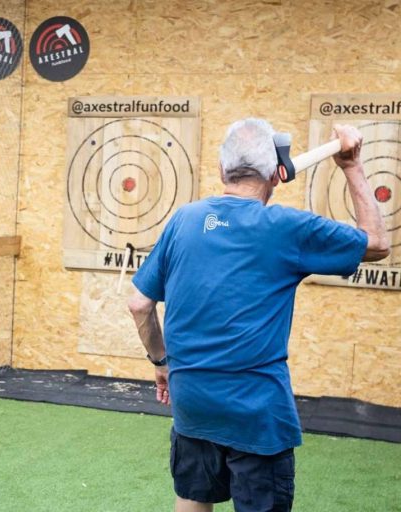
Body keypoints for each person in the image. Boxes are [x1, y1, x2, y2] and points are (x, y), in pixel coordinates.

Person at [128, 119, 389, 512]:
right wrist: (351, 165)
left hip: (191, 400)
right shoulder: (286, 227)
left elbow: (139, 304)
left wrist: (161, 362)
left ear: (221, 171)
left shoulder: (184, 220)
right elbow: (378, 243)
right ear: (276, 173)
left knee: (192, 500)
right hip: (256, 412)